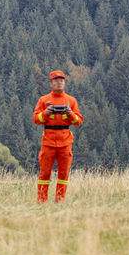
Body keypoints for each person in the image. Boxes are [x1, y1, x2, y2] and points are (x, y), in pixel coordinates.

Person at [32, 70, 83, 203]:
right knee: (44, 173)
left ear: (65, 83)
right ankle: (42, 199)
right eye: (56, 81)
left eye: (62, 80)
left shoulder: (71, 101)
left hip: (65, 141)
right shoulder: (43, 100)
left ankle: (60, 199)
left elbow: (78, 121)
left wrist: (70, 114)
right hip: (48, 140)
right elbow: (36, 120)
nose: (59, 83)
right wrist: (45, 114)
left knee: (64, 173)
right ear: (51, 84)